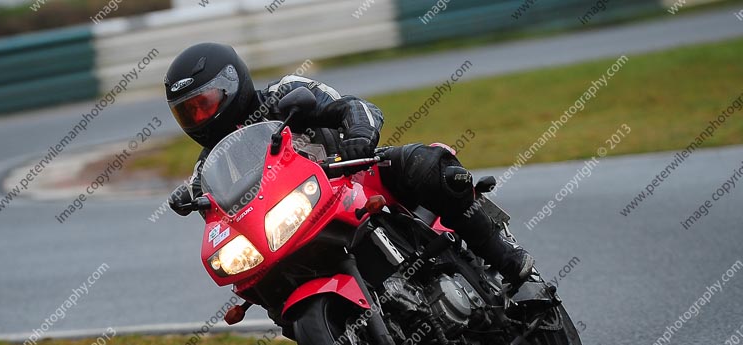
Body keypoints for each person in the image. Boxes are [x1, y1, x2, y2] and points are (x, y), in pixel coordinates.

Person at [166, 43, 532, 284]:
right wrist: (187, 200)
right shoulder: (209, 167)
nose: (200, 117)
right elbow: (216, 211)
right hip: (293, 224)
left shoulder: (284, 92)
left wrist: (357, 135)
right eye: (188, 112)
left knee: (425, 164)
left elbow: (354, 107)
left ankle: (503, 259)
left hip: (354, 179)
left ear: (233, 84)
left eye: (205, 104)